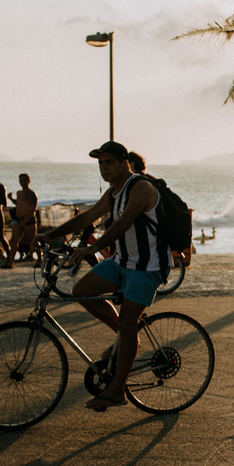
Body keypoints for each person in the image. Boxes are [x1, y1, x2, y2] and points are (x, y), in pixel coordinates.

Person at [36, 141, 167, 411]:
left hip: (147, 267)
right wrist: (49, 235)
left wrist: (92, 248)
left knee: (129, 324)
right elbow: (87, 218)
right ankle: (125, 337)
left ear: (124, 163)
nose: (103, 168)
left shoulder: (140, 187)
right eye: (100, 163)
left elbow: (123, 224)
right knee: (81, 291)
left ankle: (117, 390)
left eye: (109, 162)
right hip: (121, 262)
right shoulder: (113, 192)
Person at [3, 173, 38, 269]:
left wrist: (26, 220)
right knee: (14, 241)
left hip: (29, 220)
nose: (23, 182)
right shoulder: (19, 193)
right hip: (19, 219)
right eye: (21, 180)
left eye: (25, 180)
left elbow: (33, 208)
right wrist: (11, 199)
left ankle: (40, 259)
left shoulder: (31, 194)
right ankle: (10, 262)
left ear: (28, 181)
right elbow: (19, 204)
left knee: (33, 241)